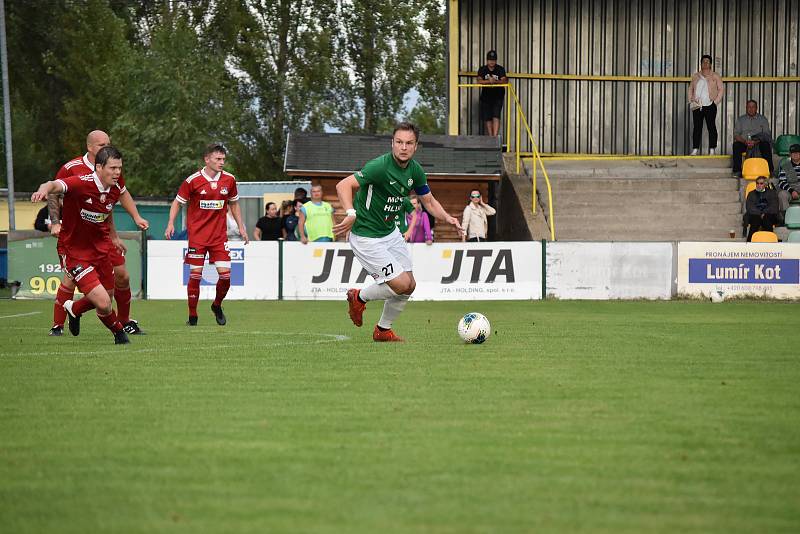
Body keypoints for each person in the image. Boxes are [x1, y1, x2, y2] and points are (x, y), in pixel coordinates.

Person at [334, 122, 463, 342]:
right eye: (399, 142)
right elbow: (343, 185)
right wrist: (350, 212)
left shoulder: (415, 171)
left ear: (416, 146)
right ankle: (359, 297)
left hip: (389, 232)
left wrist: (448, 218)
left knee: (410, 285)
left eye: (409, 143)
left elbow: (429, 201)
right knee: (401, 284)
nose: (403, 147)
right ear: (392, 143)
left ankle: (383, 330)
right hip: (366, 236)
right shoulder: (380, 167)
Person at [46, 130, 149, 337]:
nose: (106, 148)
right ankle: (58, 325)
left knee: (123, 276)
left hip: (103, 237)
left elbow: (112, 201)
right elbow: (53, 192)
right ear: (90, 148)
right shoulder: (72, 168)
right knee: (70, 280)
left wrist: (123, 228)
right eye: (101, 145)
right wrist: (56, 222)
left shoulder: (113, 168)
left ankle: (124, 320)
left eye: (108, 144)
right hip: (77, 239)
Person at [30, 146, 134, 345]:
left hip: (101, 250)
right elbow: (54, 185)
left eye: (119, 168)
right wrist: (44, 188)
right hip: (75, 252)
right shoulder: (80, 183)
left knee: (107, 298)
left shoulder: (115, 188)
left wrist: (114, 237)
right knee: (103, 303)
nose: (117, 173)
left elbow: (107, 213)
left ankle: (74, 309)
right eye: (112, 168)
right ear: (99, 167)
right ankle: (120, 334)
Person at [165, 143, 248, 326]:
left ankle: (217, 305)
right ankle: (192, 316)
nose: (221, 162)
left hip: (219, 237)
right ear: (207, 159)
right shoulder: (192, 181)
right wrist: (171, 223)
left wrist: (241, 227)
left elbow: (233, 203)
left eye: (223, 159)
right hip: (197, 237)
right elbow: (177, 202)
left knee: (226, 277)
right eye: (218, 159)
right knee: (195, 275)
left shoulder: (229, 180)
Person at [688, 54, 724, 155]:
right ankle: (695, 149)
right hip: (697, 106)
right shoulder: (696, 76)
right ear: (701, 63)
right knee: (697, 128)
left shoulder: (715, 76)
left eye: (707, 61)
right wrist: (691, 100)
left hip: (710, 105)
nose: (705, 63)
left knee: (711, 127)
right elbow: (690, 88)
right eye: (703, 61)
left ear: (711, 64)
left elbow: (721, 89)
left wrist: (715, 102)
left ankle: (712, 149)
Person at [732, 100, 774, 177]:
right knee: (736, 145)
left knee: (766, 145)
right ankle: (737, 171)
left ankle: (770, 170)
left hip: (758, 143)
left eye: (753, 107)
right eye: (749, 107)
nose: (751, 109)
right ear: (746, 108)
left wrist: (755, 142)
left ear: (756, 108)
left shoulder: (763, 119)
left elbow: (767, 134)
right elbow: (736, 134)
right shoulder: (741, 120)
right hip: (745, 143)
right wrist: (745, 142)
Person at [477, 50, 508, 137]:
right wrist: (488, 81)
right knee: (487, 117)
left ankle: (495, 137)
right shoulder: (482, 69)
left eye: (493, 60)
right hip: (486, 97)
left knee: (496, 115)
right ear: (487, 60)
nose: (492, 62)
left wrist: (495, 81)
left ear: (496, 60)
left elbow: (505, 80)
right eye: (490, 60)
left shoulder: (500, 69)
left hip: (498, 96)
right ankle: (491, 137)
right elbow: (479, 81)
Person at [745, 176, 779, 241]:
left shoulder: (772, 193)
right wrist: (760, 213)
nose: (758, 185)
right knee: (755, 220)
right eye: (757, 183)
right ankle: (749, 243)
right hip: (755, 215)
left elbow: (774, 206)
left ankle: (770, 241)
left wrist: (764, 213)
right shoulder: (751, 194)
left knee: (767, 219)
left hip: (769, 214)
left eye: (761, 183)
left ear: (765, 184)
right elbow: (749, 207)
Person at [777, 144, 800, 213]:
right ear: (790, 154)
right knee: (782, 195)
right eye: (793, 152)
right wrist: (792, 191)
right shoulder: (786, 165)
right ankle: (786, 217)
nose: (795, 154)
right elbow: (781, 182)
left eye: (797, 152)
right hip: (790, 187)